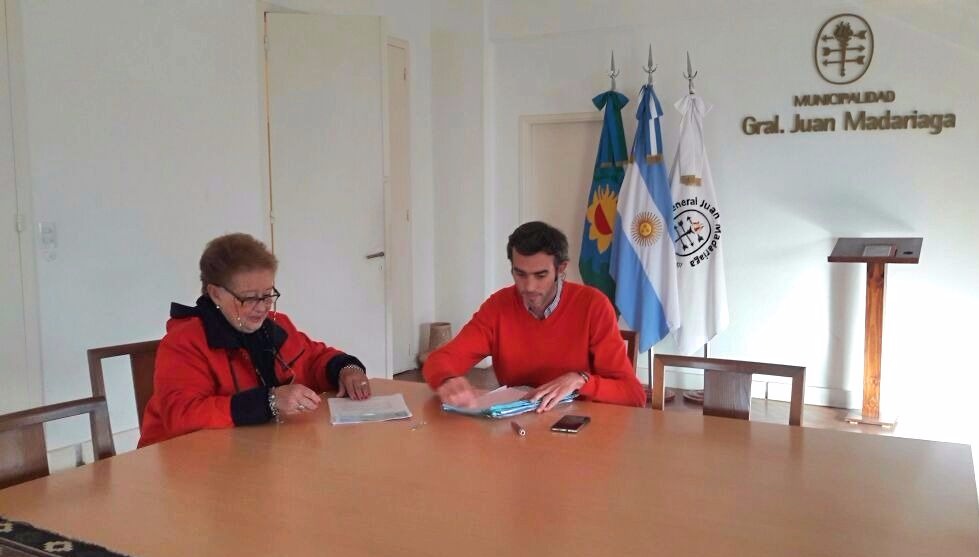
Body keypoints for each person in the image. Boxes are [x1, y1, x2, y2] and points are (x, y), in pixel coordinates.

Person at [138, 233, 370, 447]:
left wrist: (345, 369)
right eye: (249, 298)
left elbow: (313, 359)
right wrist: (269, 401)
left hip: (252, 450)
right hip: (182, 459)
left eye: (268, 295)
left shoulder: (276, 326)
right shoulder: (185, 341)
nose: (262, 307)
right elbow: (182, 415)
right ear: (216, 293)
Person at [423, 221, 644, 411]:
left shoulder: (593, 306)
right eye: (520, 274)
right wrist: (447, 379)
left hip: (583, 424)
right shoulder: (498, 306)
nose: (529, 287)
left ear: (561, 269)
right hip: (519, 425)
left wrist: (580, 380)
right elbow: (439, 360)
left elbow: (633, 394)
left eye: (540, 275)